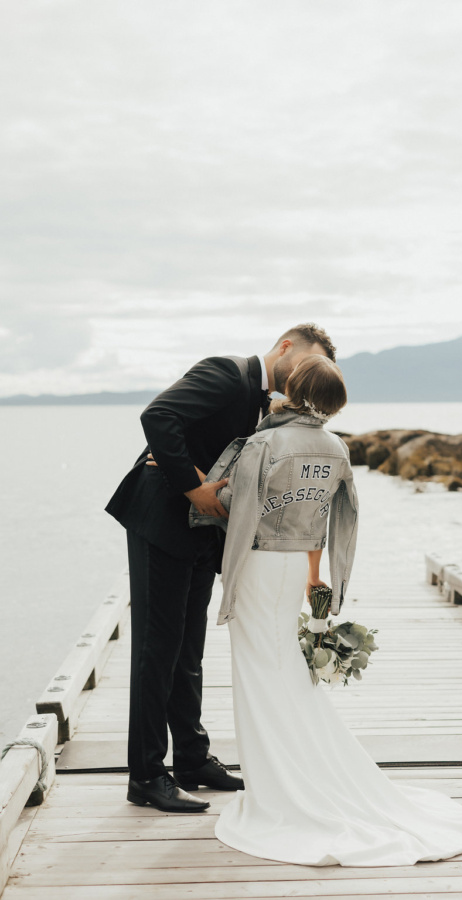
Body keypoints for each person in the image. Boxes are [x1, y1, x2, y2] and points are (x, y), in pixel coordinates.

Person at [182, 353, 462, 866]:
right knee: (283, 669)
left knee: (257, 674)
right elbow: (327, 519)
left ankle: (276, 787)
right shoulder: (335, 448)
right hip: (291, 571)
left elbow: (229, 505)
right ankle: (299, 767)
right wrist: (319, 582)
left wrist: (191, 476)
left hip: (258, 565)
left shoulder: (265, 442)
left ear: (293, 386)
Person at [104, 323, 336, 813]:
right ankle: (146, 775)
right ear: (286, 347)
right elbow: (158, 415)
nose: (303, 377)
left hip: (200, 532)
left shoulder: (266, 405)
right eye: (304, 364)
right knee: (155, 649)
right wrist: (192, 484)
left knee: (188, 650)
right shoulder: (227, 374)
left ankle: (192, 759)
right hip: (161, 520)